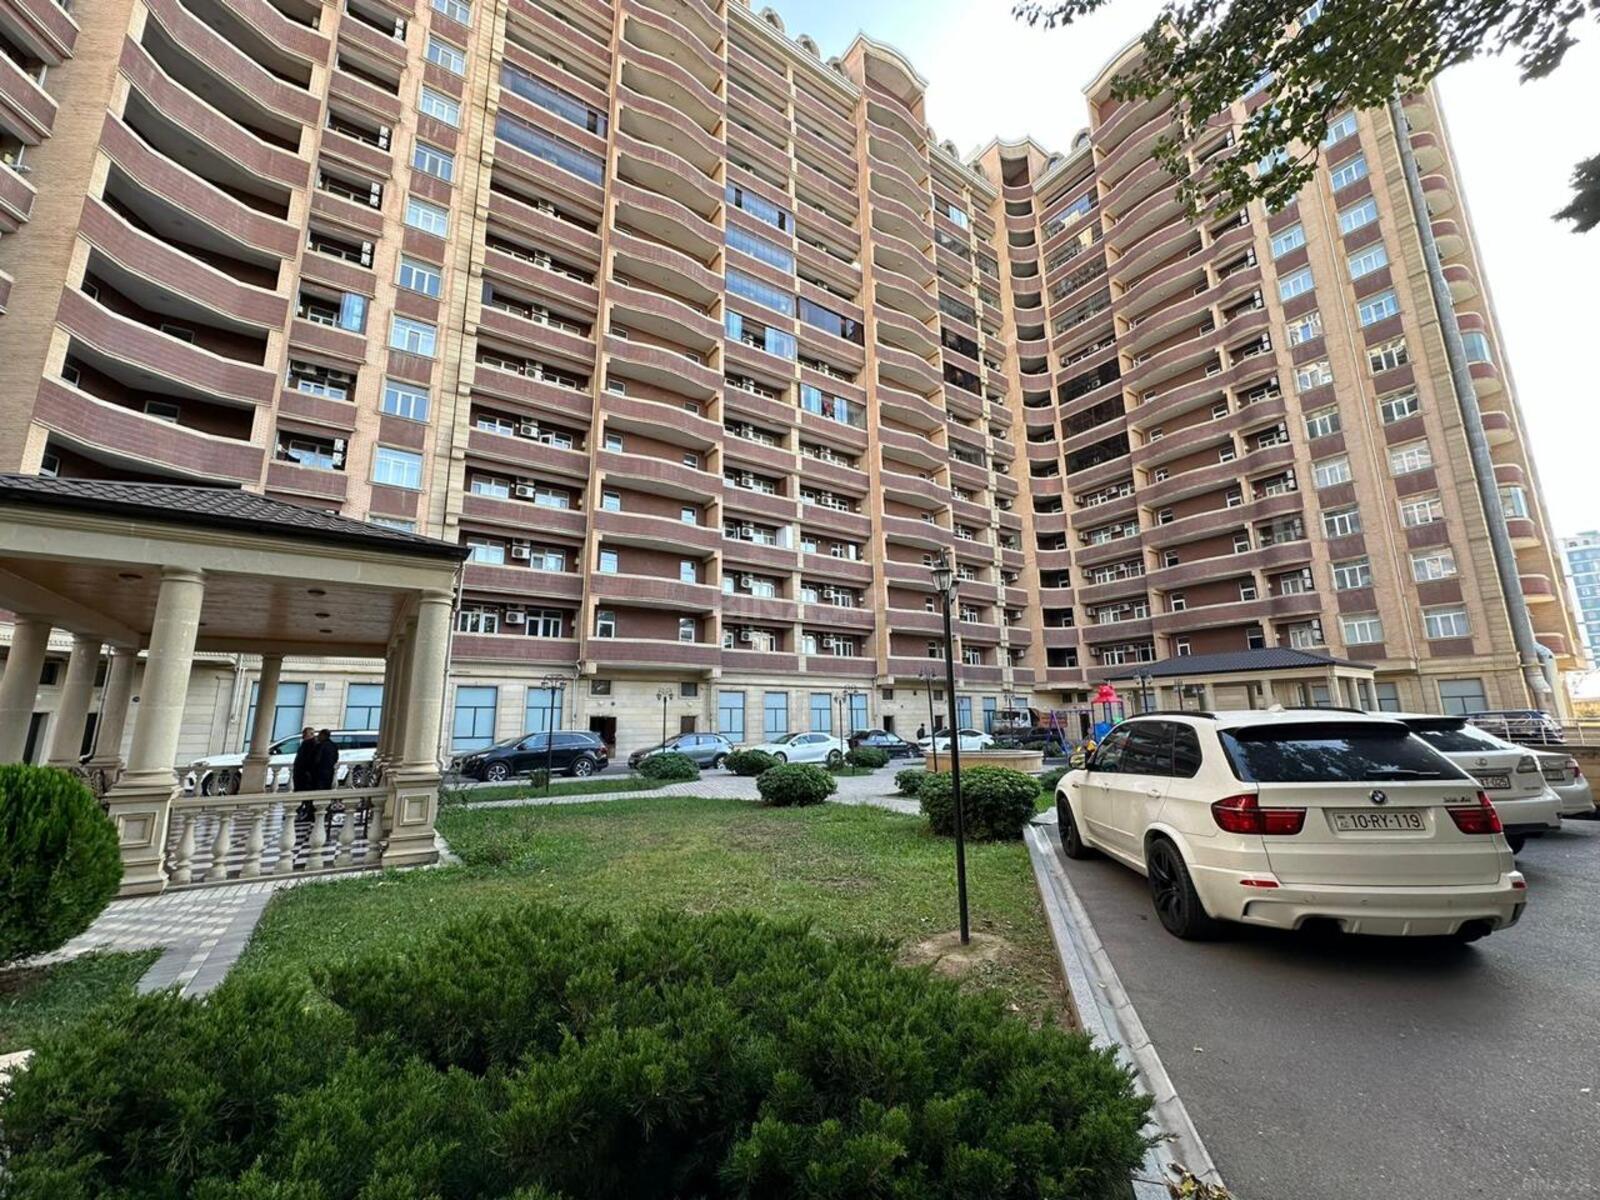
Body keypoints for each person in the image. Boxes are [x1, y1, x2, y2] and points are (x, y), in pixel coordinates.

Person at [290, 727, 318, 791]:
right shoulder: (306, 743)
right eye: (303, 734)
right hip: (301, 772)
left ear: (311, 734)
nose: (303, 736)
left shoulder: (312, 744)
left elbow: (309, 759)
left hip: (305, 773)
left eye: (305, 734)